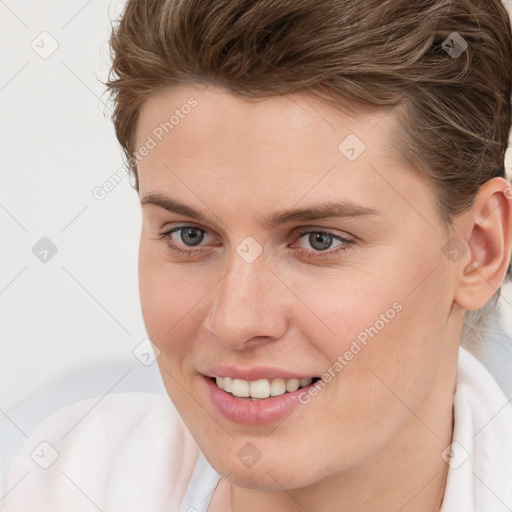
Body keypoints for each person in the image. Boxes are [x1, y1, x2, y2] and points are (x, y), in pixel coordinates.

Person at [2, 1, 512, 511]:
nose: (235, 320)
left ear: (479, 250)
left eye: (319, 240)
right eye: (191, 235)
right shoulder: (60, 483)